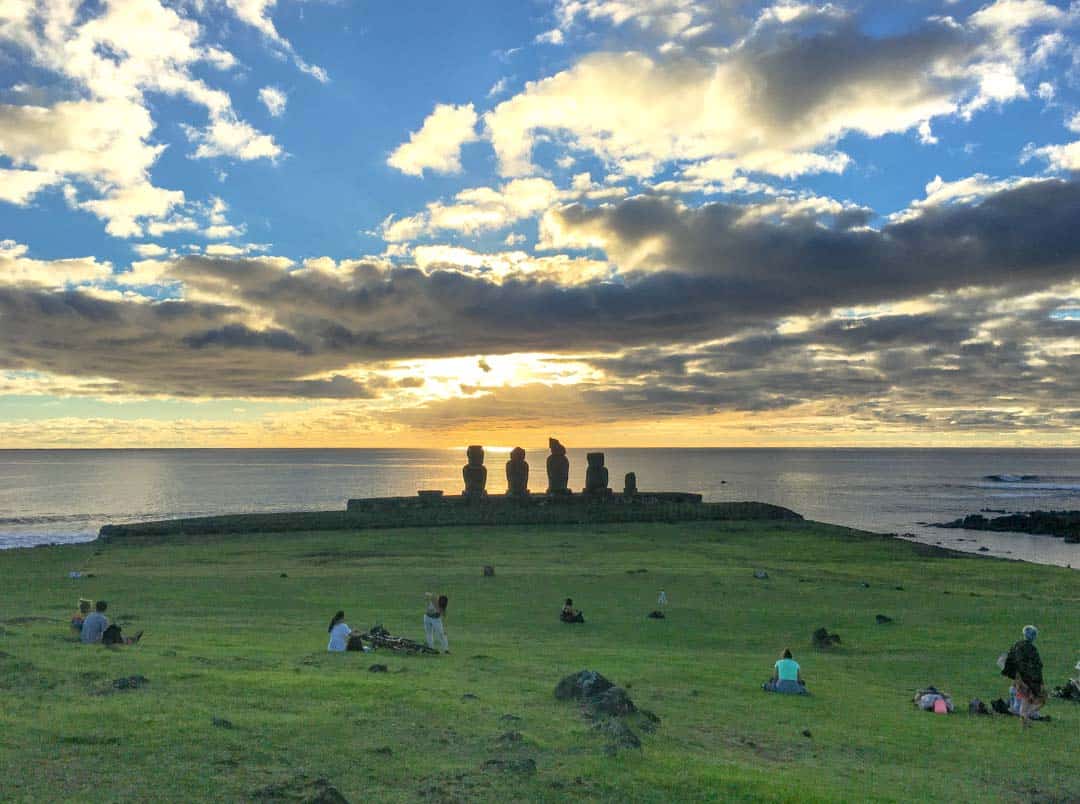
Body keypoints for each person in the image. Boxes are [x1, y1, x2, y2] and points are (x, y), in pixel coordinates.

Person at [1002, 625, 1045, 727]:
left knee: (1023, 700)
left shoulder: (1017, 645)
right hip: (1029, 680)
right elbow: (1037, 666)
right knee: (1035, 701)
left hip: (1019, 678)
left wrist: (1015, 676)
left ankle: (1024, 718)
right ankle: (1025, 718)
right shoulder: (1032, 650)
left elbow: (1010, 660)